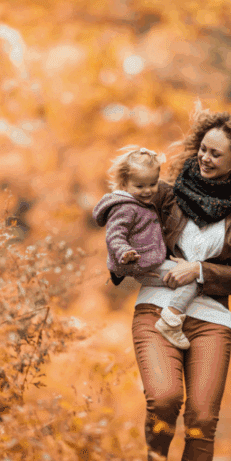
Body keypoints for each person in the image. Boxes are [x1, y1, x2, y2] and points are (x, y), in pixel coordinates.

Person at [131, 109, 231, 461]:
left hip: (211, 320)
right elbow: (124, 209)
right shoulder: (167, 195)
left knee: (202, 419)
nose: (204, 157)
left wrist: (200, 270)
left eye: (215, 154)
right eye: (202, 149)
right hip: (157, 308)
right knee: (165, 398)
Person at [92, 146, 195, 349]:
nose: (147, 191)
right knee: (190, 280)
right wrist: (124, 252)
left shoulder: (139, 202)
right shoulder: (125, 207)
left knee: (185, 274)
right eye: (140, 186)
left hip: (151, 260)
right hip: (141, 265)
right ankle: (170, 321)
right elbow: (114, 236)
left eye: (152, 184)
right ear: (124, 183)